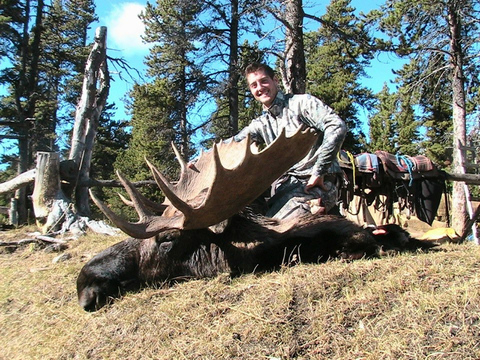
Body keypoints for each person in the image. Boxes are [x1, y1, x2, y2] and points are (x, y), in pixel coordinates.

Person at [233, 62, 347, 220]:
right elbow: (231, 145)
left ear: (275, 80)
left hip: (318, 184)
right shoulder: (261, 124)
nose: (260, 88)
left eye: (264, 81)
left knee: (275, 232)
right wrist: (196, 165)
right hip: (286, 191)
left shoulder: (301, 103)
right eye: (254, 85)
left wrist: (319, 171)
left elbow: (337, 126)